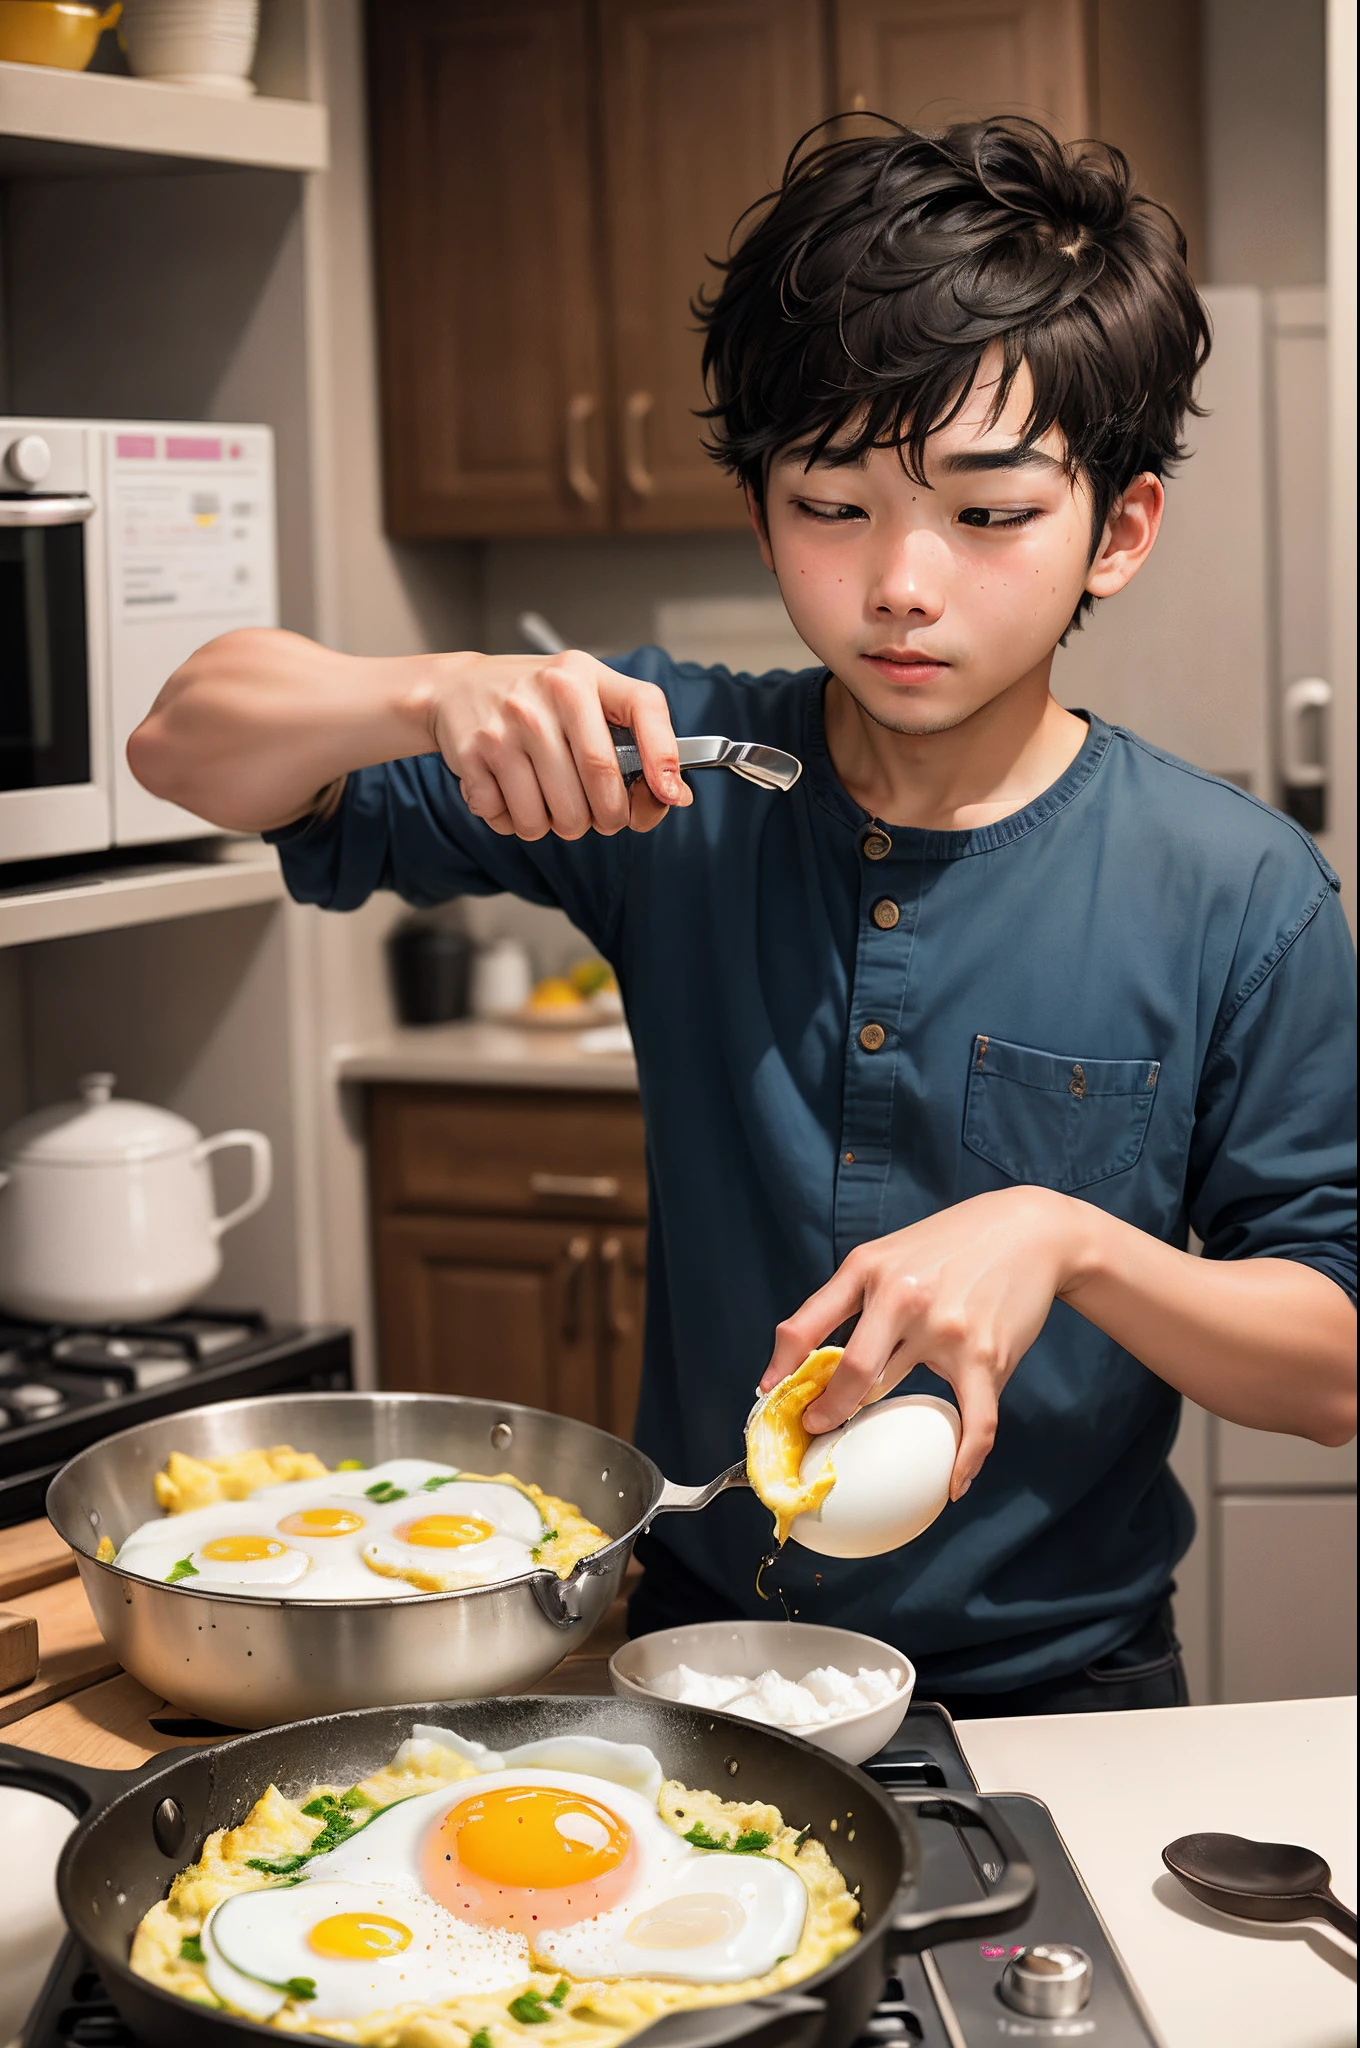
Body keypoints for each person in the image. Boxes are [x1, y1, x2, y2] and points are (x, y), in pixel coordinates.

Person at [128, 119, 1356, 1717]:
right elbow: (183, 745)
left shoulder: (1238, 884)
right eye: (834, 502)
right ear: (763, 507)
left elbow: (1332, 1366)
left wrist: (1069, 1242)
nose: (903, 584)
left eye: (988, 516)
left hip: (1071, 1687)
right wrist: (435, 689)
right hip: (694, 1654)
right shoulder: (669, 772)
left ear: (1113, 533)